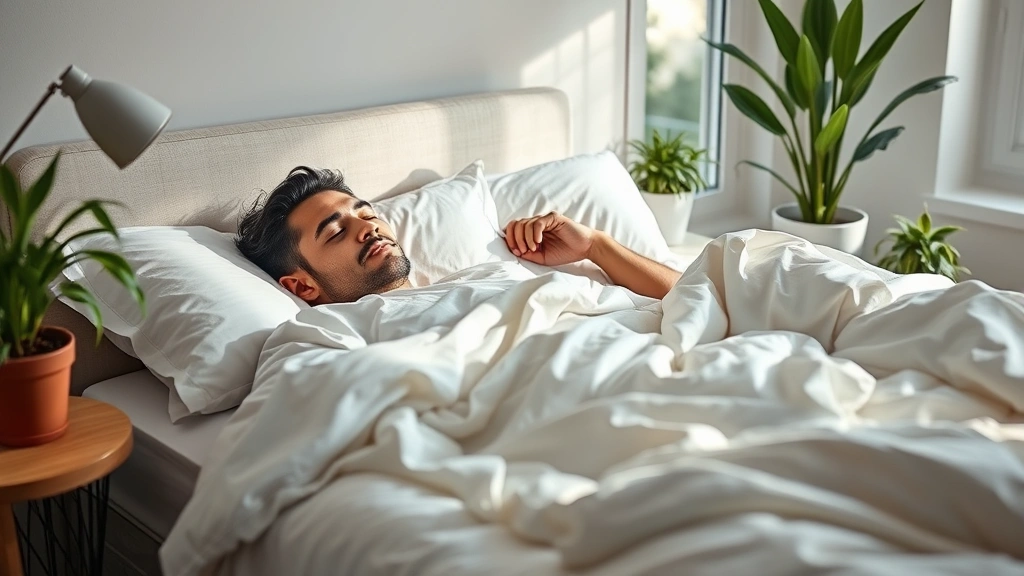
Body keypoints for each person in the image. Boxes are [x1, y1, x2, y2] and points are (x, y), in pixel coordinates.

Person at [236, 166, 683, 304]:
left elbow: (693, 297)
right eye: (335, 233)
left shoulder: (494, 276)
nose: (367, 227)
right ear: (301, 285)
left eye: (365, 212)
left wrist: (596, 247)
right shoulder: (333, 340)